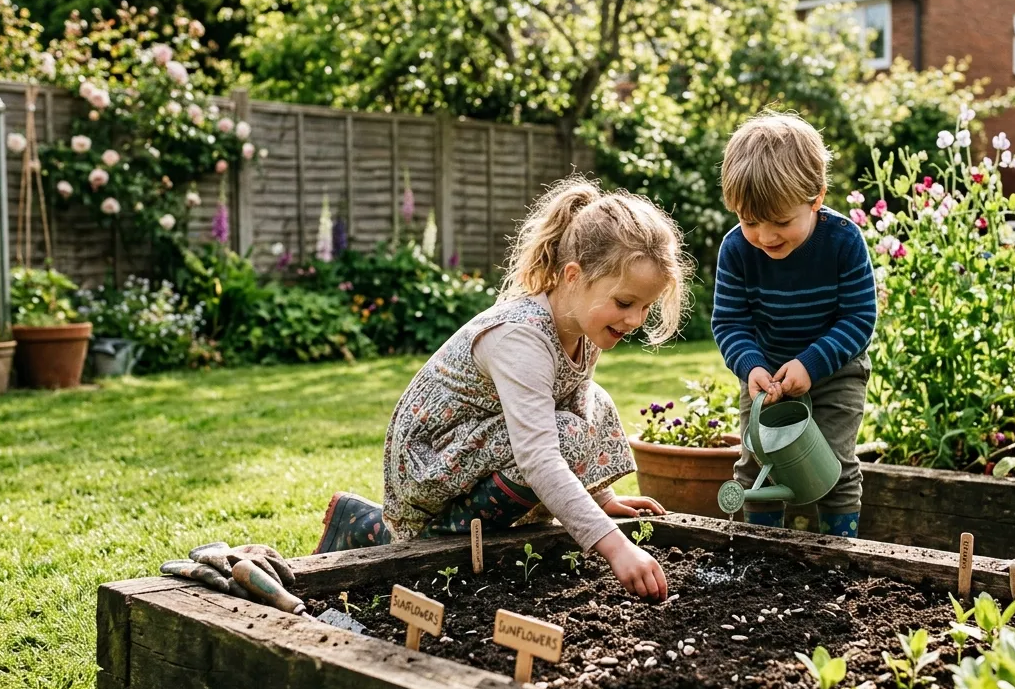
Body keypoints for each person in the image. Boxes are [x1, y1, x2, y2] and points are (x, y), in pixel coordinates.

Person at [316, 176, 693, 601]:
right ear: (573, 276)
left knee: (593, 405)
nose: (635, 319)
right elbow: (538, 456)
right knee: (562, 439)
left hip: (478, 443)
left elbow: (574, 404)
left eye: (645, 306)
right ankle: (411, 542)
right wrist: (614, 545)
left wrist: (600, 498)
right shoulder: (521, 337)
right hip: (430, 456)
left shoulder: (583, 328)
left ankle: (380, 526)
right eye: (625, 303)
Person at [711, 111, 877, 537]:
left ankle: (841, 550)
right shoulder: (735, 250)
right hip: (767, 378)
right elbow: (730, 320)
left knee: (834, 466)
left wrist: (811, 365)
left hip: (836, 373)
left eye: (781, 222)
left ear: (816, 198)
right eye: (750, 222)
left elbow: (859, 317)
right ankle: (763, 550)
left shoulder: (843, 241)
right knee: (756, 465)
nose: (765, 237)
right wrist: (750, 366)